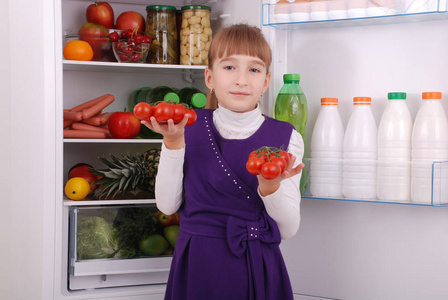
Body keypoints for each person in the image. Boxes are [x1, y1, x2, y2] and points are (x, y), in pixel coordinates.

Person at [142, 23, 305, 300]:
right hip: (198, 264)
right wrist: (172, 143)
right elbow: (167, 205)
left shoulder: (287, 138)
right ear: (209, 78)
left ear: (265, 82)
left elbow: (288, 230)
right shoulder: (183, 127)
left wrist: (270, 188)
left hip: (258, 264)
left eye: (253, 69)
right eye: (229, 67)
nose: (241, 80)